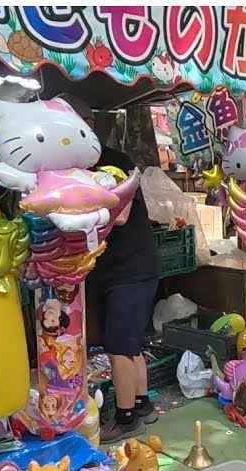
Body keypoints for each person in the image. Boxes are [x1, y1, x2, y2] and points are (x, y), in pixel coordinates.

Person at [55, 93, 161, 442]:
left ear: (87, 126)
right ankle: (143, 403)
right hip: (117, 270)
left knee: (119, 346)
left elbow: (122, 214)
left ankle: (127, 417)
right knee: (130, 344)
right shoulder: (75, 168)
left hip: (131, 270)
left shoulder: (114, 161)